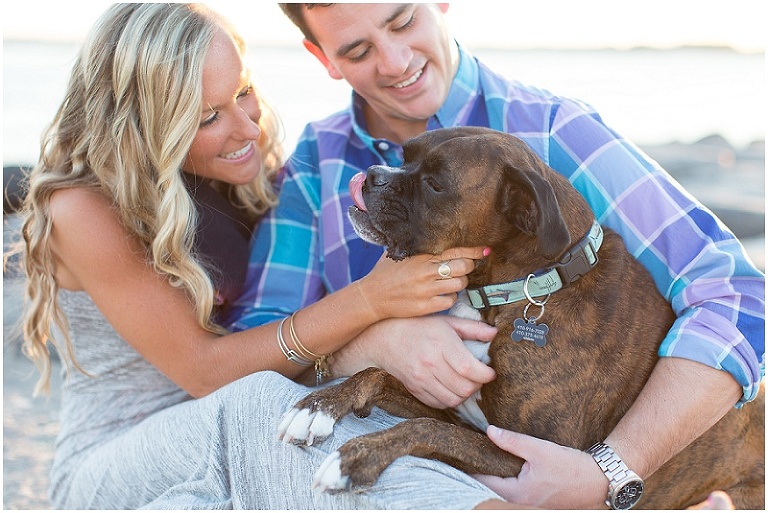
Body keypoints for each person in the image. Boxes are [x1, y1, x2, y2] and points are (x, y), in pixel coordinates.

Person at [230, 3, 765, 509]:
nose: (393, 62)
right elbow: (252, 347)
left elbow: (736, 295)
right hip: (393, 447)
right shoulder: (316, 158)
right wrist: (368, 339)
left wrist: (614, 468)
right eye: (357, 50)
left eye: (402, 21)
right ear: (321, 57)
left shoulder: (553, 132)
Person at [14, 3, 525, 509]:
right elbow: (205, 373)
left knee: (345, 427)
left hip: (230, 440)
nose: (249, 129)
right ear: (140, 127)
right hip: (116, 460)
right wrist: (371, 300)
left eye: (243, 92)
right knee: (260, 405)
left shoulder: (249, 174)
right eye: (209, 117)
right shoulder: (82, 209)